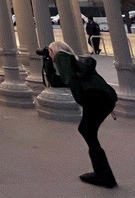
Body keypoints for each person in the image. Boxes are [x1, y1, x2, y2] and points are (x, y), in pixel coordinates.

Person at [43, 40, 118, 189]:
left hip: (94, 97)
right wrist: (46, 63)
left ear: (54, 51)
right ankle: (103, 173)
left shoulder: (61, 57)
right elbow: (58, 81)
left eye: (50, 52)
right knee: (87, 130)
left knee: (87, 130)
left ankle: (104, 175)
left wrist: (81, 97)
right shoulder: (76, 62)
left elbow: (69, 79)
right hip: (105, 97)